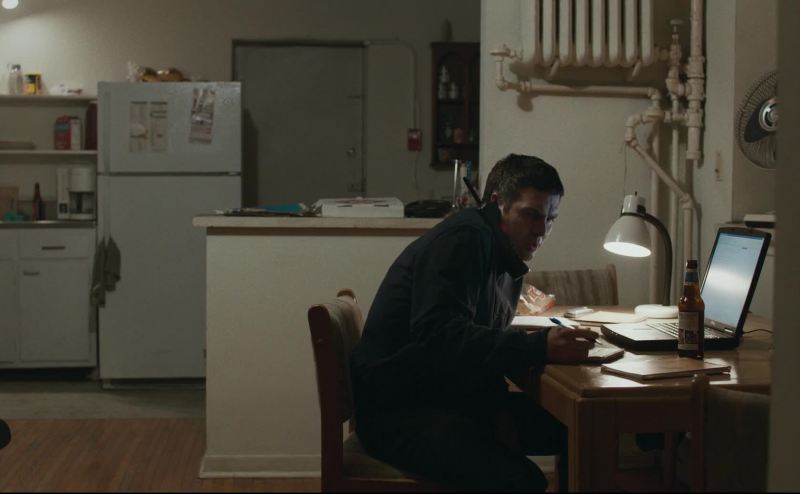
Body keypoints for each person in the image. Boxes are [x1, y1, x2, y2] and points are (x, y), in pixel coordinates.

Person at [350, 153, 598, 492]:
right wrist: (539, 345)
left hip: (445, 398)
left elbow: (472, 339)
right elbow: (438, 335)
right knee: (523, 482)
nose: (541, 230)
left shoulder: (501, 251)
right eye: (531, 214)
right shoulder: (465, 238)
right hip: (401, 412)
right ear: (497, 203)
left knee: (578, 426)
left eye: (550, 218)